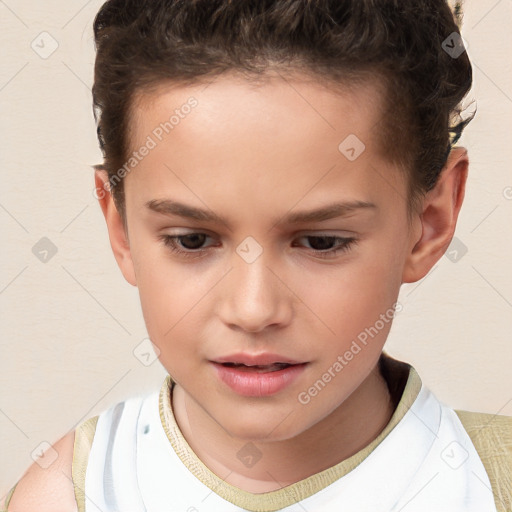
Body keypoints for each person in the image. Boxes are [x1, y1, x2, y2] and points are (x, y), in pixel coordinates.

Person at [2, 0, 511, 510]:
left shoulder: (493, 484)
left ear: (429, 222)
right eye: (192, 240)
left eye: (321, 242)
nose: (253, 310)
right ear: (121, 226)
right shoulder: (67, 496)